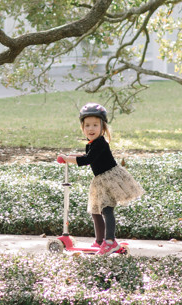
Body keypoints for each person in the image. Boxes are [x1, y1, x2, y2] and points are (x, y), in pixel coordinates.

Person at [57, 102, 144, 256]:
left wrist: (67, 158)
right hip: (101, 181)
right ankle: (99, 241)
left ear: (103, 127)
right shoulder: (92, 144)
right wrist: (69, 157)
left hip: (110, 179)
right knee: (96, 211)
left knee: (106, 209)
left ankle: (110, 242)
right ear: (82, 128)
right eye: (87, 125)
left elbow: (86, 160)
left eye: (95, 125)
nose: (91, 129)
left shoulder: (100, 143)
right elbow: (86, 157)